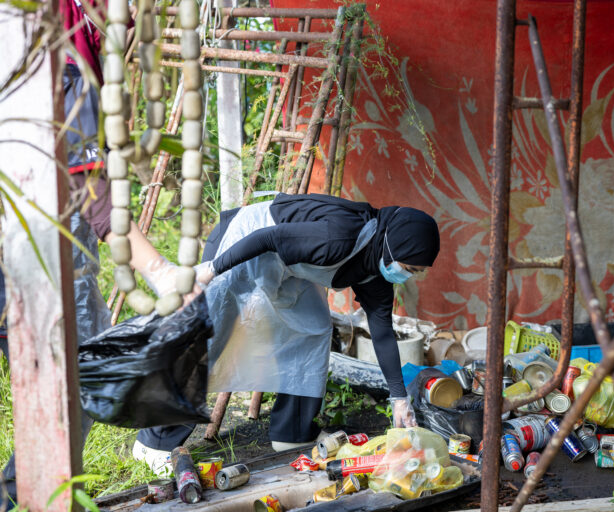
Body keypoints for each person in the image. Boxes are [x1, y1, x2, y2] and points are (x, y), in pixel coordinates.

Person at [1, 0, 194, 504]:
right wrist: (161, 271)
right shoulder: (67, 51)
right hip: (40, 247)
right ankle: (27, 494)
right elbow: (95, 196)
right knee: (78, 380)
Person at [132, 193, 441, 475]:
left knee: (313, 328)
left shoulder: (376, 269)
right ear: (391, 247)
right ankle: (153, 443)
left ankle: (291, 432)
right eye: (408, 267)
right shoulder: (339, 236)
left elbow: (383, 333)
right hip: (245, 241)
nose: (407, 275)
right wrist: (211, 269)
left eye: (414, 271)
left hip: (286, 263)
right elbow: (270, 236)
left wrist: (399, 398)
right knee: (209, 338)